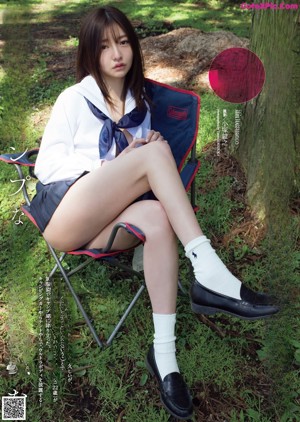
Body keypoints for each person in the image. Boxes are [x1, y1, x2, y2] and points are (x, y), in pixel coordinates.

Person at [30, 6, 278, 420]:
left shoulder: (138, 105)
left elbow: (138, 179)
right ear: (91, 54)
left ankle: (164, 356)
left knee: (160, 217)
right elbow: (48, 168)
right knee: (152, 153)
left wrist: (139, 158)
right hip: (66, 217)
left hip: (109, 222)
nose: (116, 53)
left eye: (123, 42)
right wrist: (118, 167)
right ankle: (209, 271)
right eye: (105, 46)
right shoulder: (73, 100)